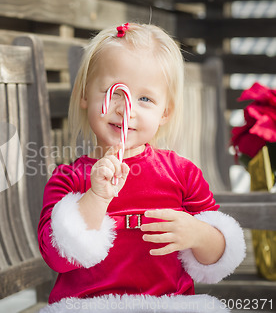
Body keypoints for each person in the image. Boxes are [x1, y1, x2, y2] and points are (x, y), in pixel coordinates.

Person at [38, 23, 246, 312]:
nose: (126, 109)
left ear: (165, 112)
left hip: (169, 305)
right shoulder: (67, 178)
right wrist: (96, 197)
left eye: (145, 98)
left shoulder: (182, 174)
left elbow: (216, 258)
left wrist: (198, 234)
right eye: (115, 91)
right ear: (85, 94)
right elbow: (56, 256)